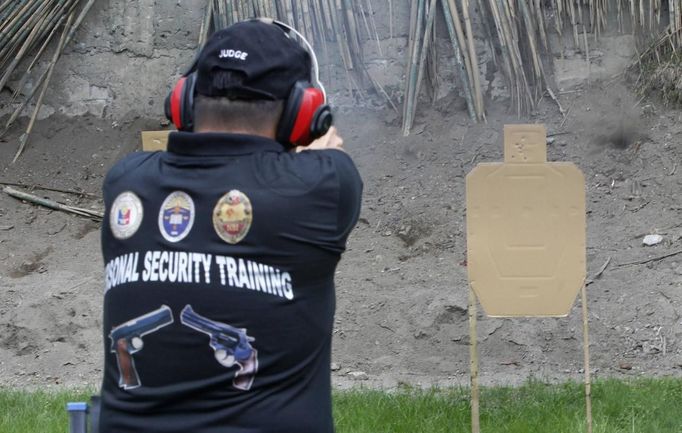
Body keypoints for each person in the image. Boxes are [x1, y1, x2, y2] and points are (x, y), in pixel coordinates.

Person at [99, 19, 362, 433]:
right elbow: (321, 160)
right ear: (303, 112)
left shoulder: (126, 181)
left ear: (184, 103)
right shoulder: (326, 184)